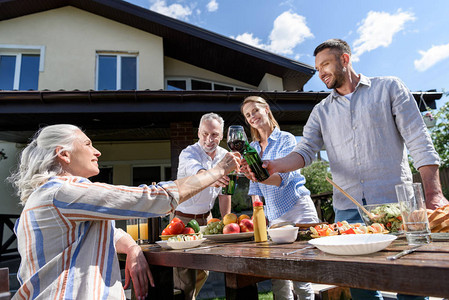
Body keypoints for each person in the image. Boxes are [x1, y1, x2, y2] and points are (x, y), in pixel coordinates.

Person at [262, 39, 449, 300]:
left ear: (345, 60)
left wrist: (434, 193)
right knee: (362, 289)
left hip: (395, 206)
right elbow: (305, 152)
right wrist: (275, 165)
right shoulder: (320, 112)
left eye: (325, 64)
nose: (321, 73)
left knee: (411, 282)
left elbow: (419, 139)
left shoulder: (389, 88)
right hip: (349, 212)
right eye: (317, 68)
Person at [8, 124, 240, 300]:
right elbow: (151, 198)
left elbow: (103, 232)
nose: (97, 151)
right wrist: (217, 170)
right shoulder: (64, 191)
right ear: (64, 154)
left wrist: (131, 247)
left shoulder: (45, 197)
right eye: (88, 144)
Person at [241, 96, 319, 300]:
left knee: (301, 278)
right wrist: (258, 216)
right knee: (279, 279)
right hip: (274, 215)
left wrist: (256, 174)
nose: (252, 117)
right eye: (248, 115)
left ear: (266, 109)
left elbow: (279, 179)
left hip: (297, 209)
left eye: (255, 111)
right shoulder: (252, 148)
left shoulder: (286, 139)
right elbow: (255, 189)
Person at [173, 112, 231, 300]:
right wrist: (212, 176)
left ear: (221, 136)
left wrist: (226, 222)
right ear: (198, 133)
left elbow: (225, 194)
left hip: (206, 219)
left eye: (214, 134)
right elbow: (197, 173)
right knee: (184, 276)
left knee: (204, 269)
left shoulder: (225, 156)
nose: (209, 139)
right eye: (205, 133)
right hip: (181, 219)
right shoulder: (188, 153)